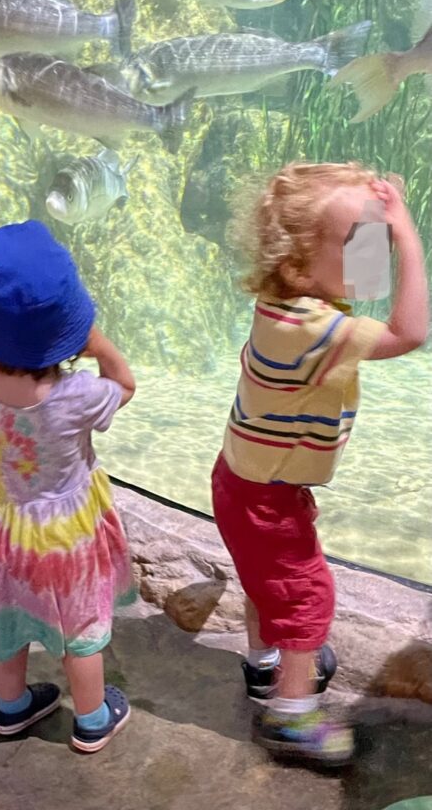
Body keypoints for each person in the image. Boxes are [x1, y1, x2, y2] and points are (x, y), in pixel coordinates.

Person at [212, 162, 429, 766]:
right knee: (309, 598)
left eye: (377, 241)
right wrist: (409, 233)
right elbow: (410, 331)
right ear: (299, 264)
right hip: (267, 497)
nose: (374, 252)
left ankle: (266, 667)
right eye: (360, 241)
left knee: (264, 580)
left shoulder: (283, 302)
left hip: (241, 478)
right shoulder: (315, 328)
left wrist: (374, 217)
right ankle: (291, 718)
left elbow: (358, 282)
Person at [0, 220, 137, 752]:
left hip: (2, 528)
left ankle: (11, 708)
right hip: (70, 536)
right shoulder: (78, 395)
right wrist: (96, 342)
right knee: (81, 627)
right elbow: (126, 384)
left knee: (9, 617)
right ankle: (92, 718)